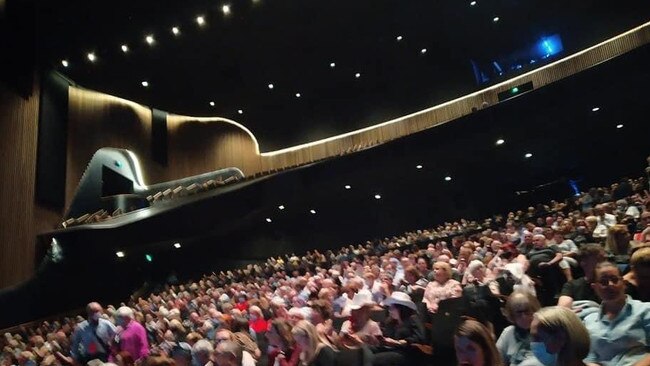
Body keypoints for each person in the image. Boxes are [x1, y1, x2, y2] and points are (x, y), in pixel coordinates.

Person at [583, 262, 650, 365]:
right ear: (594, 287)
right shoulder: (589, 320)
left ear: (623, 283)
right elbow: (589, 358)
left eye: (615, 280)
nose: (610, 285)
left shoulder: (645, 310)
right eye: (603, 282)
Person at [372, 292, 426, 366]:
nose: (390, 311)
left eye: (392, 308)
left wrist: (402, 342)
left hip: (407, 352)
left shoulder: (413, 319)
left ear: (401, 308)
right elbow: (387, 336)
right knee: (366, 350)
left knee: (375, 359)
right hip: (393, 349)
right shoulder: (391, 322)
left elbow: (420, 337)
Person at [557, 244, 605, 315]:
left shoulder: (612, 283)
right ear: (583, 263)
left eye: (604, 259)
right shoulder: (572, 285)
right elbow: (562, 310)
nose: (605, 263)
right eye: (598, 260)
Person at [496, 292, 542, 366]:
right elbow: (497, 360)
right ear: (512, 315)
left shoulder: (546, 331)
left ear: (534, 310)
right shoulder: (508, 332)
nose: (524, 316)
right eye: (519, 313)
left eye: (527, 311)